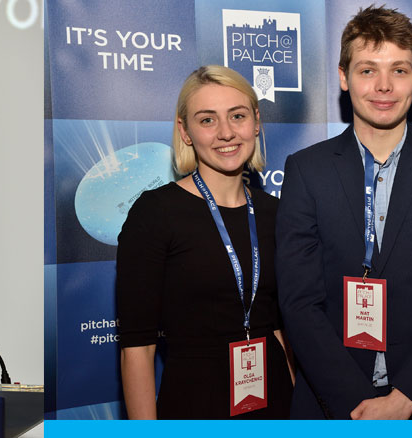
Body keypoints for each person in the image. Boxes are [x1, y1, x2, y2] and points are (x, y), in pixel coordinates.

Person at [275, 5, 412, 419]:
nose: (384, 86)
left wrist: (402, 401)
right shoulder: (306, 169)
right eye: (368, 70)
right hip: (330, 406)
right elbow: (299, 302)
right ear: (343, 77)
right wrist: (358, 405)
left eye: (400, 70)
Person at [116, 65, 295, 419]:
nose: (226, 133)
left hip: (276, 402)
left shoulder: (277, 212)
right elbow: (137, 348)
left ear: (256, 122)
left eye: (237, 116)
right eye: (208, 120)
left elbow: (280, 326)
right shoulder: (154, 214)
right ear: (185, 131)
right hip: (195, 404)